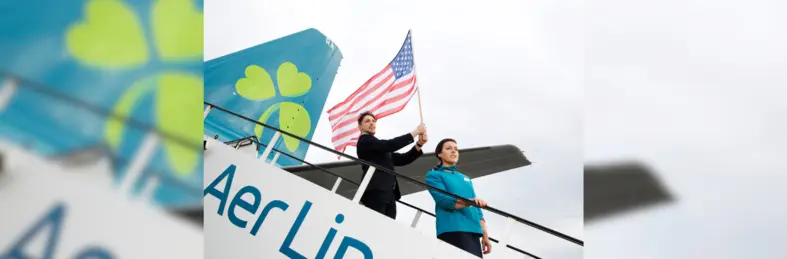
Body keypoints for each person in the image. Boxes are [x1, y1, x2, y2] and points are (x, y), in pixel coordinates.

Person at [425, 138, 492, 258]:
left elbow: (477, 210)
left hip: (474, 230)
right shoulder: (434, 175)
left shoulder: (466, 178)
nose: (453, 151)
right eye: (448, 148)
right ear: (439, 154)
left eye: (456, 149)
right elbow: (444, 201)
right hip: (452, 227)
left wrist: (485, 234)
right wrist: (470, 202)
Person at [356, 111, 427, 219]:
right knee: (376, 224)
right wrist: (415, 132)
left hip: (389, 194)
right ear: (360, 127)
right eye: (367, 121)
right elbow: (389, 145)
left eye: (373, 121)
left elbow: (403, 159)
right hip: (376, 192)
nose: (372, 123)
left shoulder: (379, 148)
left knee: (388, 226)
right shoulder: (365, 141)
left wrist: (419, 144)